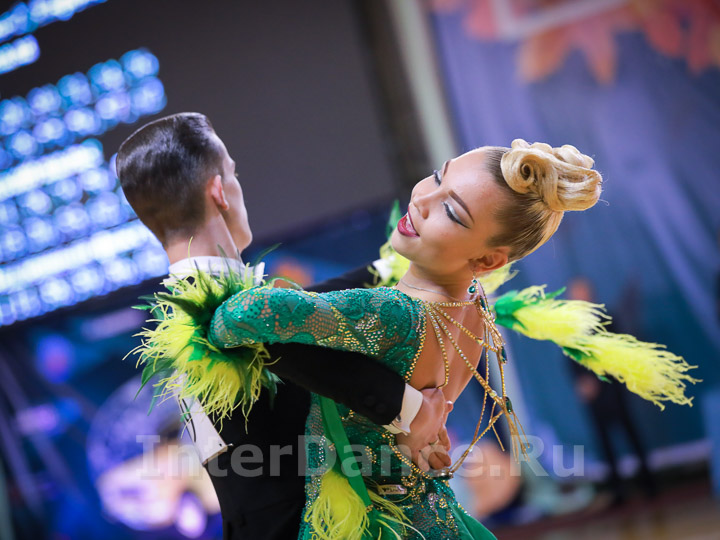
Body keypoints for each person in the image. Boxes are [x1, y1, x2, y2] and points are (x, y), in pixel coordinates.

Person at [192, 140, 604, 538]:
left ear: (487, 259)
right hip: (426, 517)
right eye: (437, 177)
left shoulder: (392, 314)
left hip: (369, 528)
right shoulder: (475, 305)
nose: (421, 201)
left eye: (451, 211)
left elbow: (237, 317)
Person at [115, 112, 449, 539]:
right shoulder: (230, 311)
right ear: (219, 191)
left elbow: (296, 318)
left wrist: (387, 270)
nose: (238, 186)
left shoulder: (192, 303)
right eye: (234, 174)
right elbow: (298, 349)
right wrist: (411, 409)